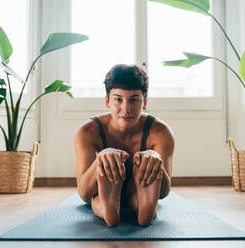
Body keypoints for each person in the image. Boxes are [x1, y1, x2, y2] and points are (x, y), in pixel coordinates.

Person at [74, 64, 174, 227]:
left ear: (145, 101)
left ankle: (144, 208)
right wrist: (102, 158)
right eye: (118, 99)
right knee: (96, 199)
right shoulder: (87, 131)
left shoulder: (161, 132)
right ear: (107, 101)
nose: (126, 109)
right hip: (100, 191)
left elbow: (163, 193)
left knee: (138, 191)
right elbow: (84, 193)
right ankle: (108, 209)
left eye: (134, 100)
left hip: (138, 188)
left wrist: (156, 162)